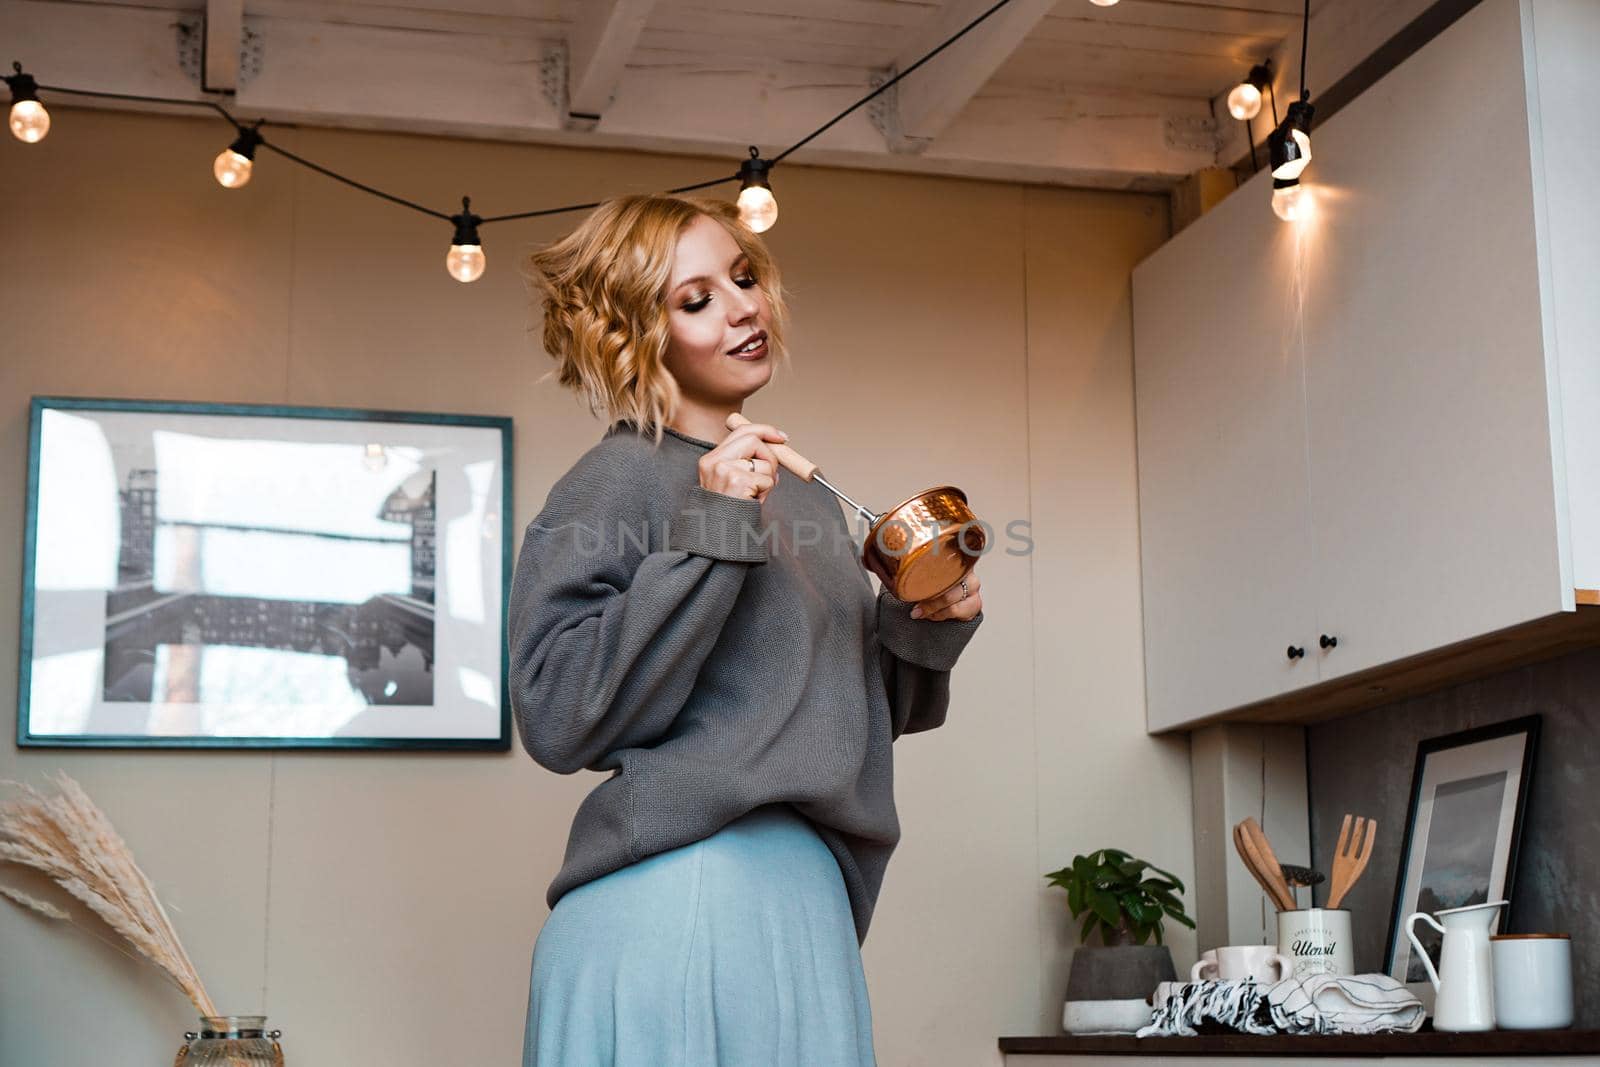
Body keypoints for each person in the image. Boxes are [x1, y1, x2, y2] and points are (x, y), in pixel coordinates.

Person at [511, 193, 985, 1066]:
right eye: (695, 299)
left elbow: (822, 712)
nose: (742, 308)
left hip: (804, 902)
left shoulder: (797, 496)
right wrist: (714, 526)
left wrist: (919, 622)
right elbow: (556, 713)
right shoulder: (615, 480)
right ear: (635, 333)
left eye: (742, 277)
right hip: (675, 899)